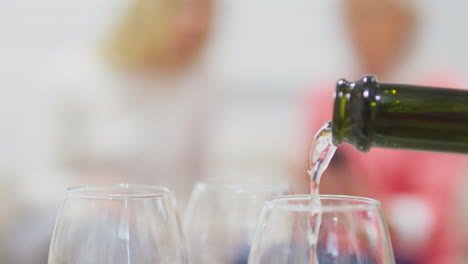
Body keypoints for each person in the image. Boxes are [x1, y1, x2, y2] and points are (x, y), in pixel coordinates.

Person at [3, 0, 215, 262]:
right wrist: (93, 192)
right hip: (59, 219)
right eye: (180, 10)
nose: (192, 22)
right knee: (109, 235)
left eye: (202, 12)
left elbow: (192, 184)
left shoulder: (197, 84)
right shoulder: (73, 74)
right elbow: (32, 181)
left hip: (148, 229)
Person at [297, 0, 466, 263]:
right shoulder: (324, 97)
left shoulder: (436, 95)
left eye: (376, 16)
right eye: (355, 17)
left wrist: (363, 201)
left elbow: (430, 217)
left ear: (407, 24)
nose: (364, 30)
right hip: (340, 253)